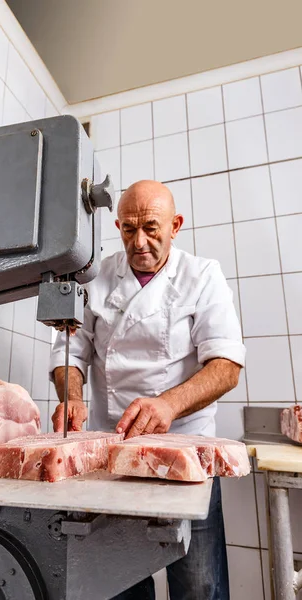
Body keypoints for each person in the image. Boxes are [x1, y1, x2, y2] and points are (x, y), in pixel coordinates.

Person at [49, 179, 245, 600]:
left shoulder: (202, 275)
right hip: (112, 454)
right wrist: (73, 397)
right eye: (128, 230)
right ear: (117, 226)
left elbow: (226, 366)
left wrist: (169, 404)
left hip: (185, 455)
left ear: (175, 225)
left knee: (199, 585)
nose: (139, 242)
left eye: (152, 229)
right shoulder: (98, 277)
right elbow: (70, 351)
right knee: (119, 584)